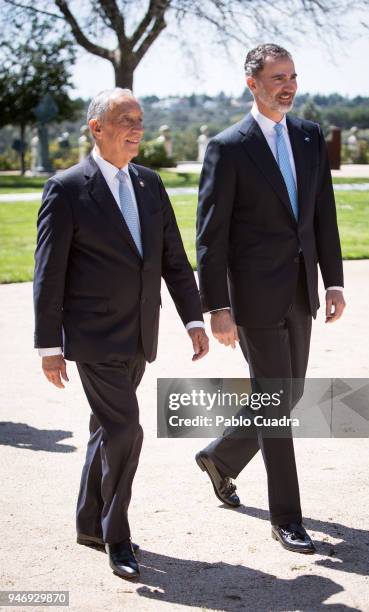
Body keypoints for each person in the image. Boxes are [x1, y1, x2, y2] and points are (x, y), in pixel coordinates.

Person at [33, 88, 209, 579]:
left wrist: (193, 319)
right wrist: (49, 346)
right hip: (92, 339)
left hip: (139, 336)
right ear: (97, 128)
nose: (136, 127)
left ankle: (88, 521)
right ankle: (117, 534)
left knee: (108, 428)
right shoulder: (66, 188)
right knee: (126, 429)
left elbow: (173, 259)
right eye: (124, 119)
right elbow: (49, 274)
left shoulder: (151, 184)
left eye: (139, 119)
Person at [195, 44, 345, 554]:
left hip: (301, 292)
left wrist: (334, 281)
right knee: (277, 405)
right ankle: (287, 518)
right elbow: (211, 237)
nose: (289, 85)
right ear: (252, 83)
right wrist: (216, 306)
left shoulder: (307, 136)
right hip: (253, 299)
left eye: (293, 76)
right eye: (278, 77)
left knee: (289, 394)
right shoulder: (227, 147)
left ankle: (221, 456)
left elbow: (322, 213)